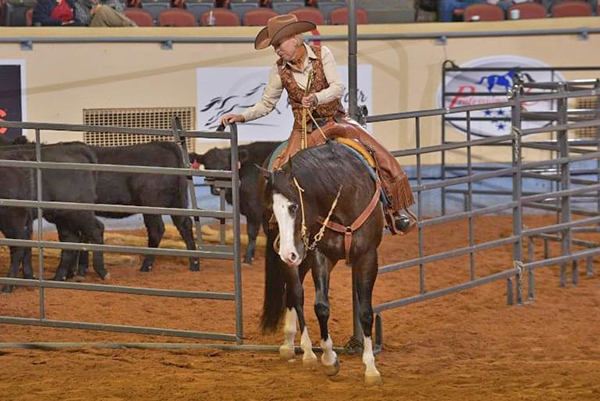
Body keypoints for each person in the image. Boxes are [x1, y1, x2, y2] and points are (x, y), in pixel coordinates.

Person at [220, 14, 415, 234]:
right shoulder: (278, 69)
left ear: (294, 38)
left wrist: (316, 98)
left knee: (381, 156)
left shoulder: (323, 55)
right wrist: (242, 116)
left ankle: (395, 210)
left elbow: (337, 87)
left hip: (336, 121)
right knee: (281, 171)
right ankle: (282, 222)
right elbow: (267, 104)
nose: (276, 50)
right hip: (304, 130)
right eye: (274, 46)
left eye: (278, 44)